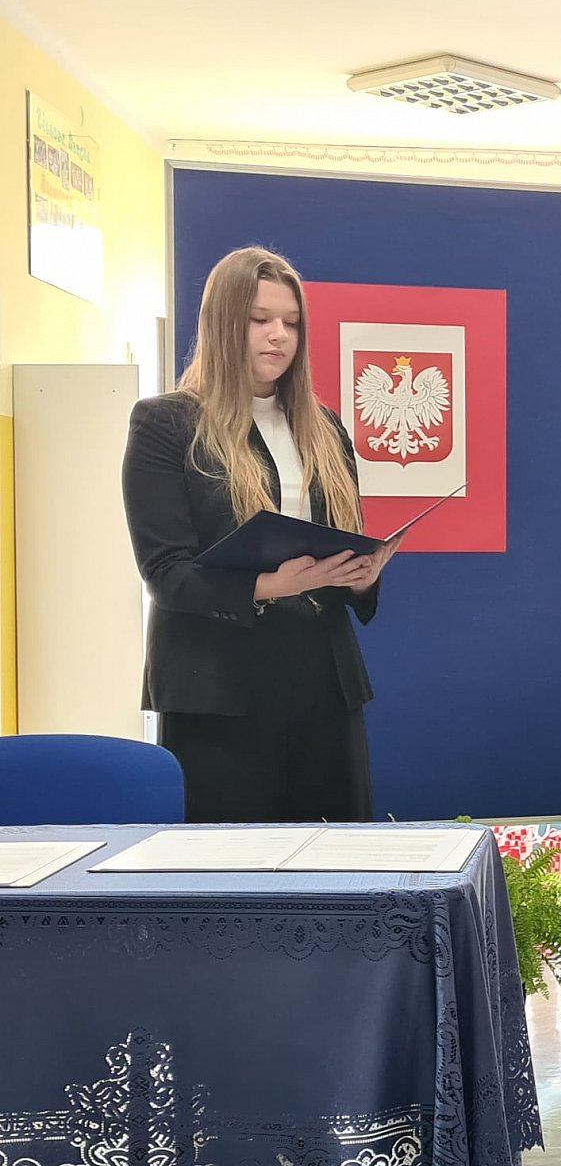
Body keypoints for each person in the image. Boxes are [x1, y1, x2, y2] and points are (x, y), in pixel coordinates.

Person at [122, 246, 398, 823]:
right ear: (223, 323)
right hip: (217, 690)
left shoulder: (325, 428)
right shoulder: (166, 423)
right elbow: (166, 574)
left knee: (336, 858)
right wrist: (269, 585)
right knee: (232, 863)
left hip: (323, 682)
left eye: (291, 323)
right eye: (259, 319)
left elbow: (343, 544)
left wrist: (360, 576)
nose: (279, 336)